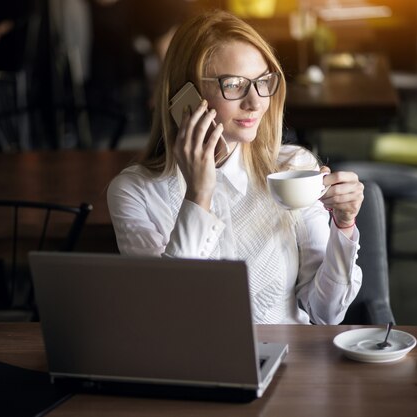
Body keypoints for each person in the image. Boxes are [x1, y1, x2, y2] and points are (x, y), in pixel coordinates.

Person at [107, 10, 364, 325]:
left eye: (262, 82)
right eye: (233, 85)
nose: (255, 103)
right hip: (194, 370)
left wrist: (344, 226)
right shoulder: (135, 193)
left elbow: (325, 315)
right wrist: (198, 197)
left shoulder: (294, 168)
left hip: (290, 364)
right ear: (185, 96)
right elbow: (168, 316)